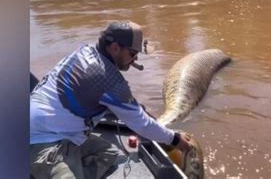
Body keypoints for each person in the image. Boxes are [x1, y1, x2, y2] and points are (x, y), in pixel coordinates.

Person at [30, 21, 193, 179]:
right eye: (132, 54)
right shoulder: (108, 80)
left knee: (108, 152)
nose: (134, 60)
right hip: (39, 141)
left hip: (58, 131)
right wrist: (175, 139)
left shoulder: (85, 51)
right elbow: (142, 124)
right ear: (115, 48)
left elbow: (88, 92)